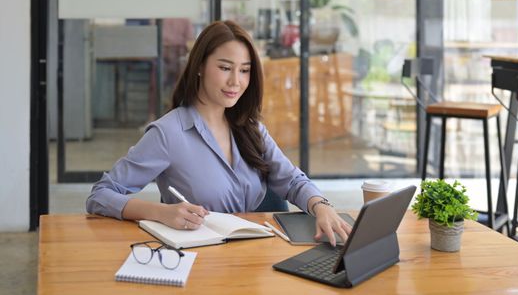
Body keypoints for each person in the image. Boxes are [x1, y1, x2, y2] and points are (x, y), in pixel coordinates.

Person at [86, 20, 352, 246]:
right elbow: (101, 195)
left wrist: (322, 206)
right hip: (201, 263)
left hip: (255, 263)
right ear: (200, 66)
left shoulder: (251, 129)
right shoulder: (169, 133)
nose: (236, 81)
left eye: (244, 70)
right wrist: (160, 212)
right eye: (225, 68)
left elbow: (293, 181)